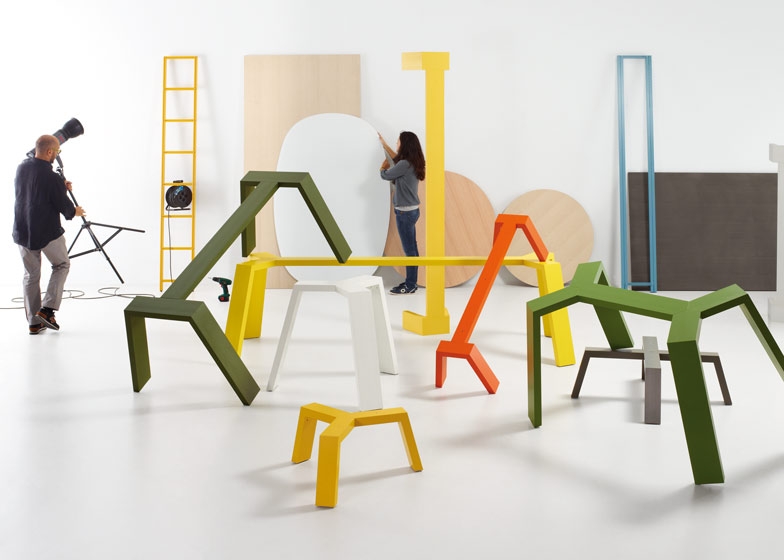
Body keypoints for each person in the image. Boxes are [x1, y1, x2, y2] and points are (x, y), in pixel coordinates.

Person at [13, 134, 85, 334]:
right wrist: (76, 211)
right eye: (57, 151)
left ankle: (34, 323)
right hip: (46, 233)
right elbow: (65, 209)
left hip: (22, 231)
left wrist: (60, 187)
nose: (57, 155)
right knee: (62, 265)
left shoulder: (21, 167)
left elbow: (37, 191)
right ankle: (46, 310)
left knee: (31, 275)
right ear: (49, 152)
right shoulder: (52, 177)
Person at [378, 130, 426, 294]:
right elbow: (396, 159)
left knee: (410, 250)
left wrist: (382, 167)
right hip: (412, 211)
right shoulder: (412, 162)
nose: (397, 144)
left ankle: (410, 285)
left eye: (398, 142)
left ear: (405, 144)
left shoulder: (404, 164)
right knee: (412, 249)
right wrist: (384, 144)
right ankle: (411, 282)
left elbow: (386, 175)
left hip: (404, 213)